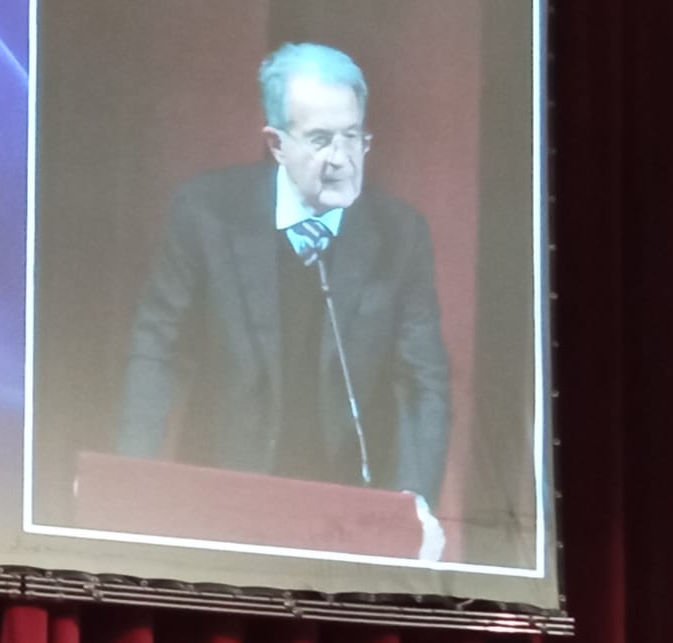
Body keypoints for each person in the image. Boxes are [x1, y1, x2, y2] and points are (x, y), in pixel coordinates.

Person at [119, 42, 450, 513]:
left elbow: (423, 382)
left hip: (348, 501)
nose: (341, 159)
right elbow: (158, 350)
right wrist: (133, 478)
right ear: (277, 144)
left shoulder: (400, 233)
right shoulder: (207, 212)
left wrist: (416, 504)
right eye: (320, 140)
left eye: (352, 136)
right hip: (223, 489)